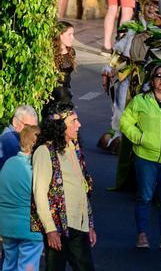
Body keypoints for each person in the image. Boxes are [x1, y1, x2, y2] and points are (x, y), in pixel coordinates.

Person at [120, 64, 161, 250]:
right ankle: (142, 235)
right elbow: (125, 122)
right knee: (145, 197)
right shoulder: (141, 100)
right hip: (145, 157)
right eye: (158, 76)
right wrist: (139, 137)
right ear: (152, 80)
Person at [32, 103, 95, 270]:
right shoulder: (44, 152)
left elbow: (83, 189)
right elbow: (40, 194)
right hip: (59, 227)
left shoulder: (73, 148)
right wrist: (50, 230)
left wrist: (89, 225)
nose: (79, 125)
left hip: (78, 226)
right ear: (60, 125)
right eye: (73, 121)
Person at [0, 126, 42, 271]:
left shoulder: (8, 163)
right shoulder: (36, 167)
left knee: (9, 265)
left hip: (7, 226)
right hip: (30, 227)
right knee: (27, 266)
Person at [0, 104, 37, 169]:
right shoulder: (12, 143)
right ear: (15, 122)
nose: (32, 132)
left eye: (35, 128)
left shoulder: (8, 137)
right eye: (28, 127)